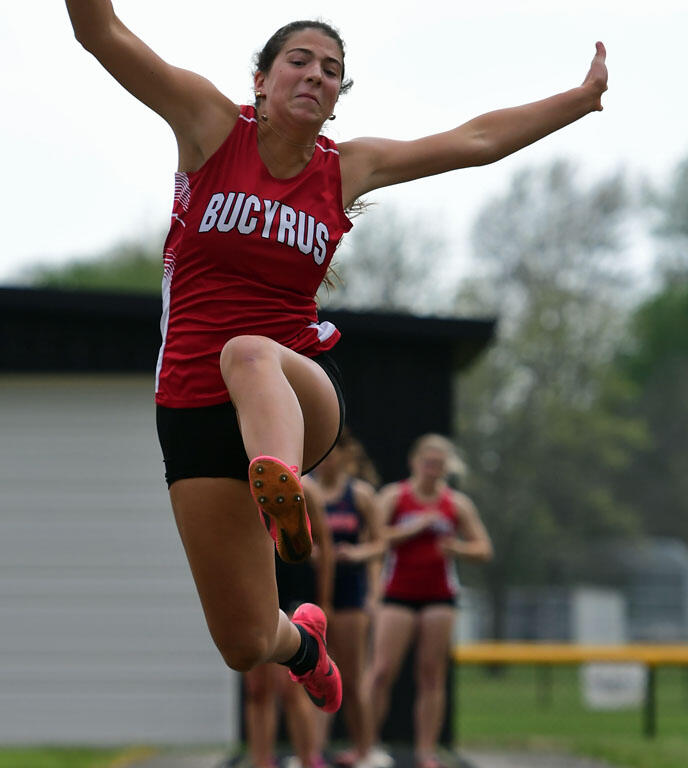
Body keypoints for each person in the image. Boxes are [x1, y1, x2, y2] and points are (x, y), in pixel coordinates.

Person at [63, 0, 607, 725]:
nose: (316, 75)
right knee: (245, 640)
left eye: (332, 71)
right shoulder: (209, 125)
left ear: (337, 99)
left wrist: (581, 99)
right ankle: (305, 647)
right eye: (300, 60)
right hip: (192, 406)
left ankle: (280, 483)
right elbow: (101, 33)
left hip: (293, 387)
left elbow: (476, 139)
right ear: (260, 80)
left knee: (249, 351)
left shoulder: (346, 169)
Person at [363, 435, 493, 768]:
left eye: (440, 464)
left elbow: (483, 548)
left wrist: (457, 548)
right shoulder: (395, 496)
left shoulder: (456, 504)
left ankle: (426, 751)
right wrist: (412, 530)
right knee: (380, 671)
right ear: (414, 462)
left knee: (431, 675)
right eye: (428, 462)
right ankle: (368, 745)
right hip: (397, 593)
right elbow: (373, 539)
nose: (433, 470)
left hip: (439, 596)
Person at [244, 479, 334, 768]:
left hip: (295, 590)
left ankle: (309, 759)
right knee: (258, 687)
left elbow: (325, 547)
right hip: (259, 589)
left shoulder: (306, 489)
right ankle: (260, 761)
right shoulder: (241, 486)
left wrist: (324, 599)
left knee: (290, 686)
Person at [311, 430, 384, 768]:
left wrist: (356, 553)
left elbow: (381, 542)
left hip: (350, 593)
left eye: (332, 453)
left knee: (353, 677)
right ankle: (311, 752)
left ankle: (365, 750)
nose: (326, 461)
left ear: (343, 455)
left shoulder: (361, 495)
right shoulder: (305, 491)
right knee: (314, 674)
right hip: (312, 591)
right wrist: (313, 554)